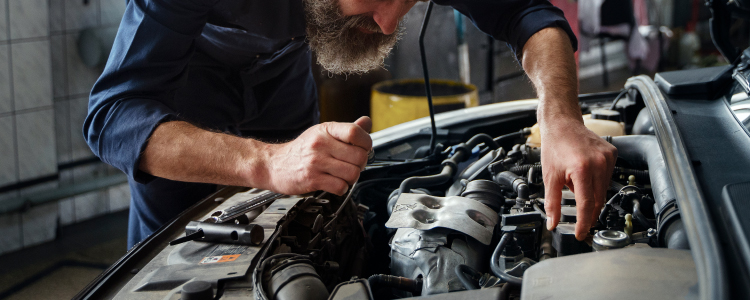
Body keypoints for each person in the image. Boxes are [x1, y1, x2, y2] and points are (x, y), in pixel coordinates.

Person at [85, 0, 617, 249]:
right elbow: (114, 116)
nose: (389, 23)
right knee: (185, 262)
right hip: (185, 93)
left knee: (301, 238)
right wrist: (267, 161)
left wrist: (561, 119)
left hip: (282, 79)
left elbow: (528, 16)